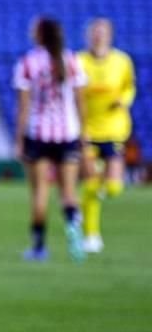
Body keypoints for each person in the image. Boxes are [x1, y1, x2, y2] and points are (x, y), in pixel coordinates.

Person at [13, 17, 87, 263]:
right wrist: (84, 134)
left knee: (39, 192)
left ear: (40, 35)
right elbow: (80, 101)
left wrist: (19, 139)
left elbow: (23, 107)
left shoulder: (28, 63)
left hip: (38, 135)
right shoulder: (71, 60)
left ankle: (39, 247)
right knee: (68, 191)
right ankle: (74, 229)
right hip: (68, 134)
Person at [76, 18, 136, 253]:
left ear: (110, 35)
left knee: (112, 187)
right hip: (88, 129)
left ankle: (81, 205)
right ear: (89, 35)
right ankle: (91, 236)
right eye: (95, 32)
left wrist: (124, 100)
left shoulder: (122, 61)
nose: (99, 36)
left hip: (114, 129)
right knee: (91, 181)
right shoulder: (79, 61)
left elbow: (129, 87)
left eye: (103, 32)